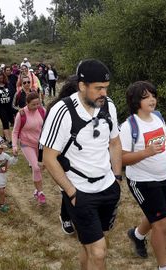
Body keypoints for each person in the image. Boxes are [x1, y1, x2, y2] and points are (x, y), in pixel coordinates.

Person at [39, 59, 122, 270]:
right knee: (99, 251)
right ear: (82, 86)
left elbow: (114, 142)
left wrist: (117, 177)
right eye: (98, 88)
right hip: (80, 192)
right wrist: (72, 192)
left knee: (89, 245)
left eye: (106, 88)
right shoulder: (62, 111)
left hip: (108, 187)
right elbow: (48, 158)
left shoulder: (108, 106)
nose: (104, 93)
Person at [119, 81, 166, 270]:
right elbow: (121, 158)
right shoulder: (128, 127)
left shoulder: (157, 117)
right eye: (146, 96)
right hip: (142, 182)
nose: (152, 99)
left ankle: (137, 235)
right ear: (136, 101)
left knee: (158, 214)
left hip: (162, 177)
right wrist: (146, 152)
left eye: (153, 95)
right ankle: (164, 266)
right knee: (161, 224)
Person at [38, 74, 80, 235]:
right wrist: (41, 157)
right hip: (60, 154)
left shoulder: (88, 106)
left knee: (79, 186)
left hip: (79, 153)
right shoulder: (56, 107)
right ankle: (65, 216)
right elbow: (45, 135)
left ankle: (76, 214)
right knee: (67, 187)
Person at [12, 92, 47, 205]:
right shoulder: (21, 114)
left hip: (40, 144)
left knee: (42, 167)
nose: (36, 106)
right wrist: (14, 146)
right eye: (33, 104)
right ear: (27, 103)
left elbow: (47, 127)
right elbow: (15, 131)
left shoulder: (42, 111)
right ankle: (41, 193)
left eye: (38, 103)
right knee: (36, 167)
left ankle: (36, 190)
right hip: (27, 144)